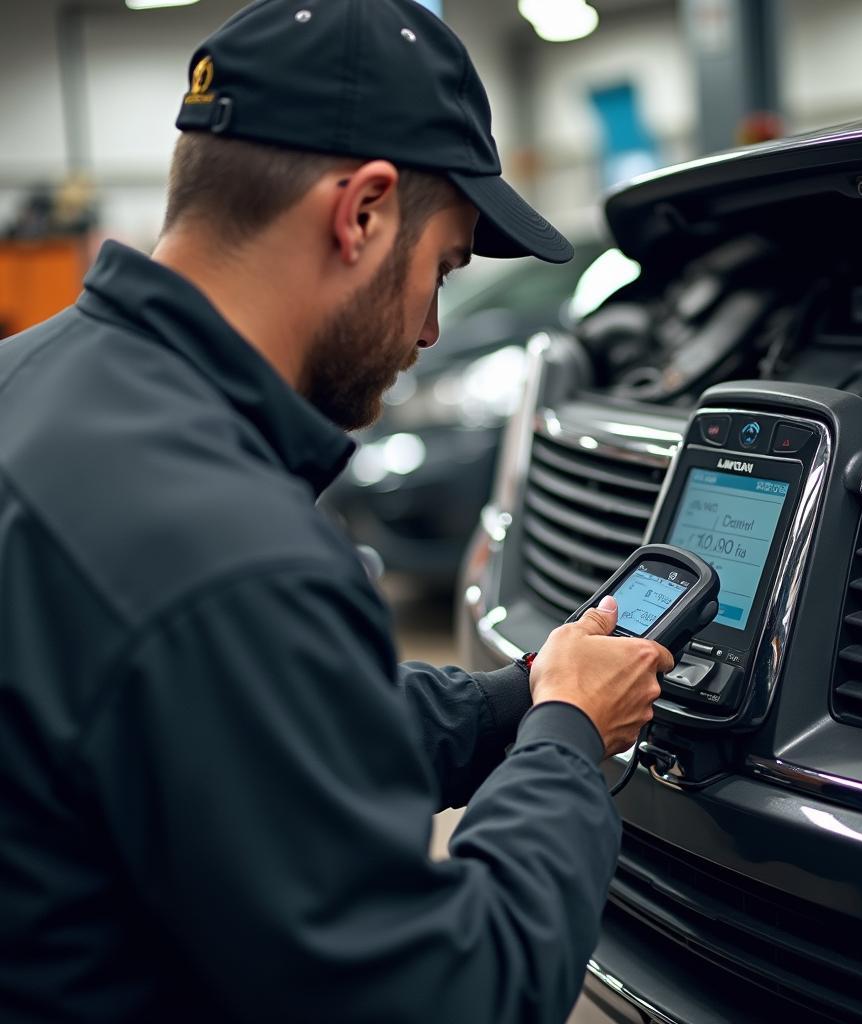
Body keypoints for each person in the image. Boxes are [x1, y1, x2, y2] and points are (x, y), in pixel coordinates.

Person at [0, 2, 672, 1022]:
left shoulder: (31, 380)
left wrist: (523, 696)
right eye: (442, 267)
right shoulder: (230, 551)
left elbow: (238, 729)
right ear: (360, 212)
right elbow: (452, 991)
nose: (433, 326)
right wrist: (566, 742)